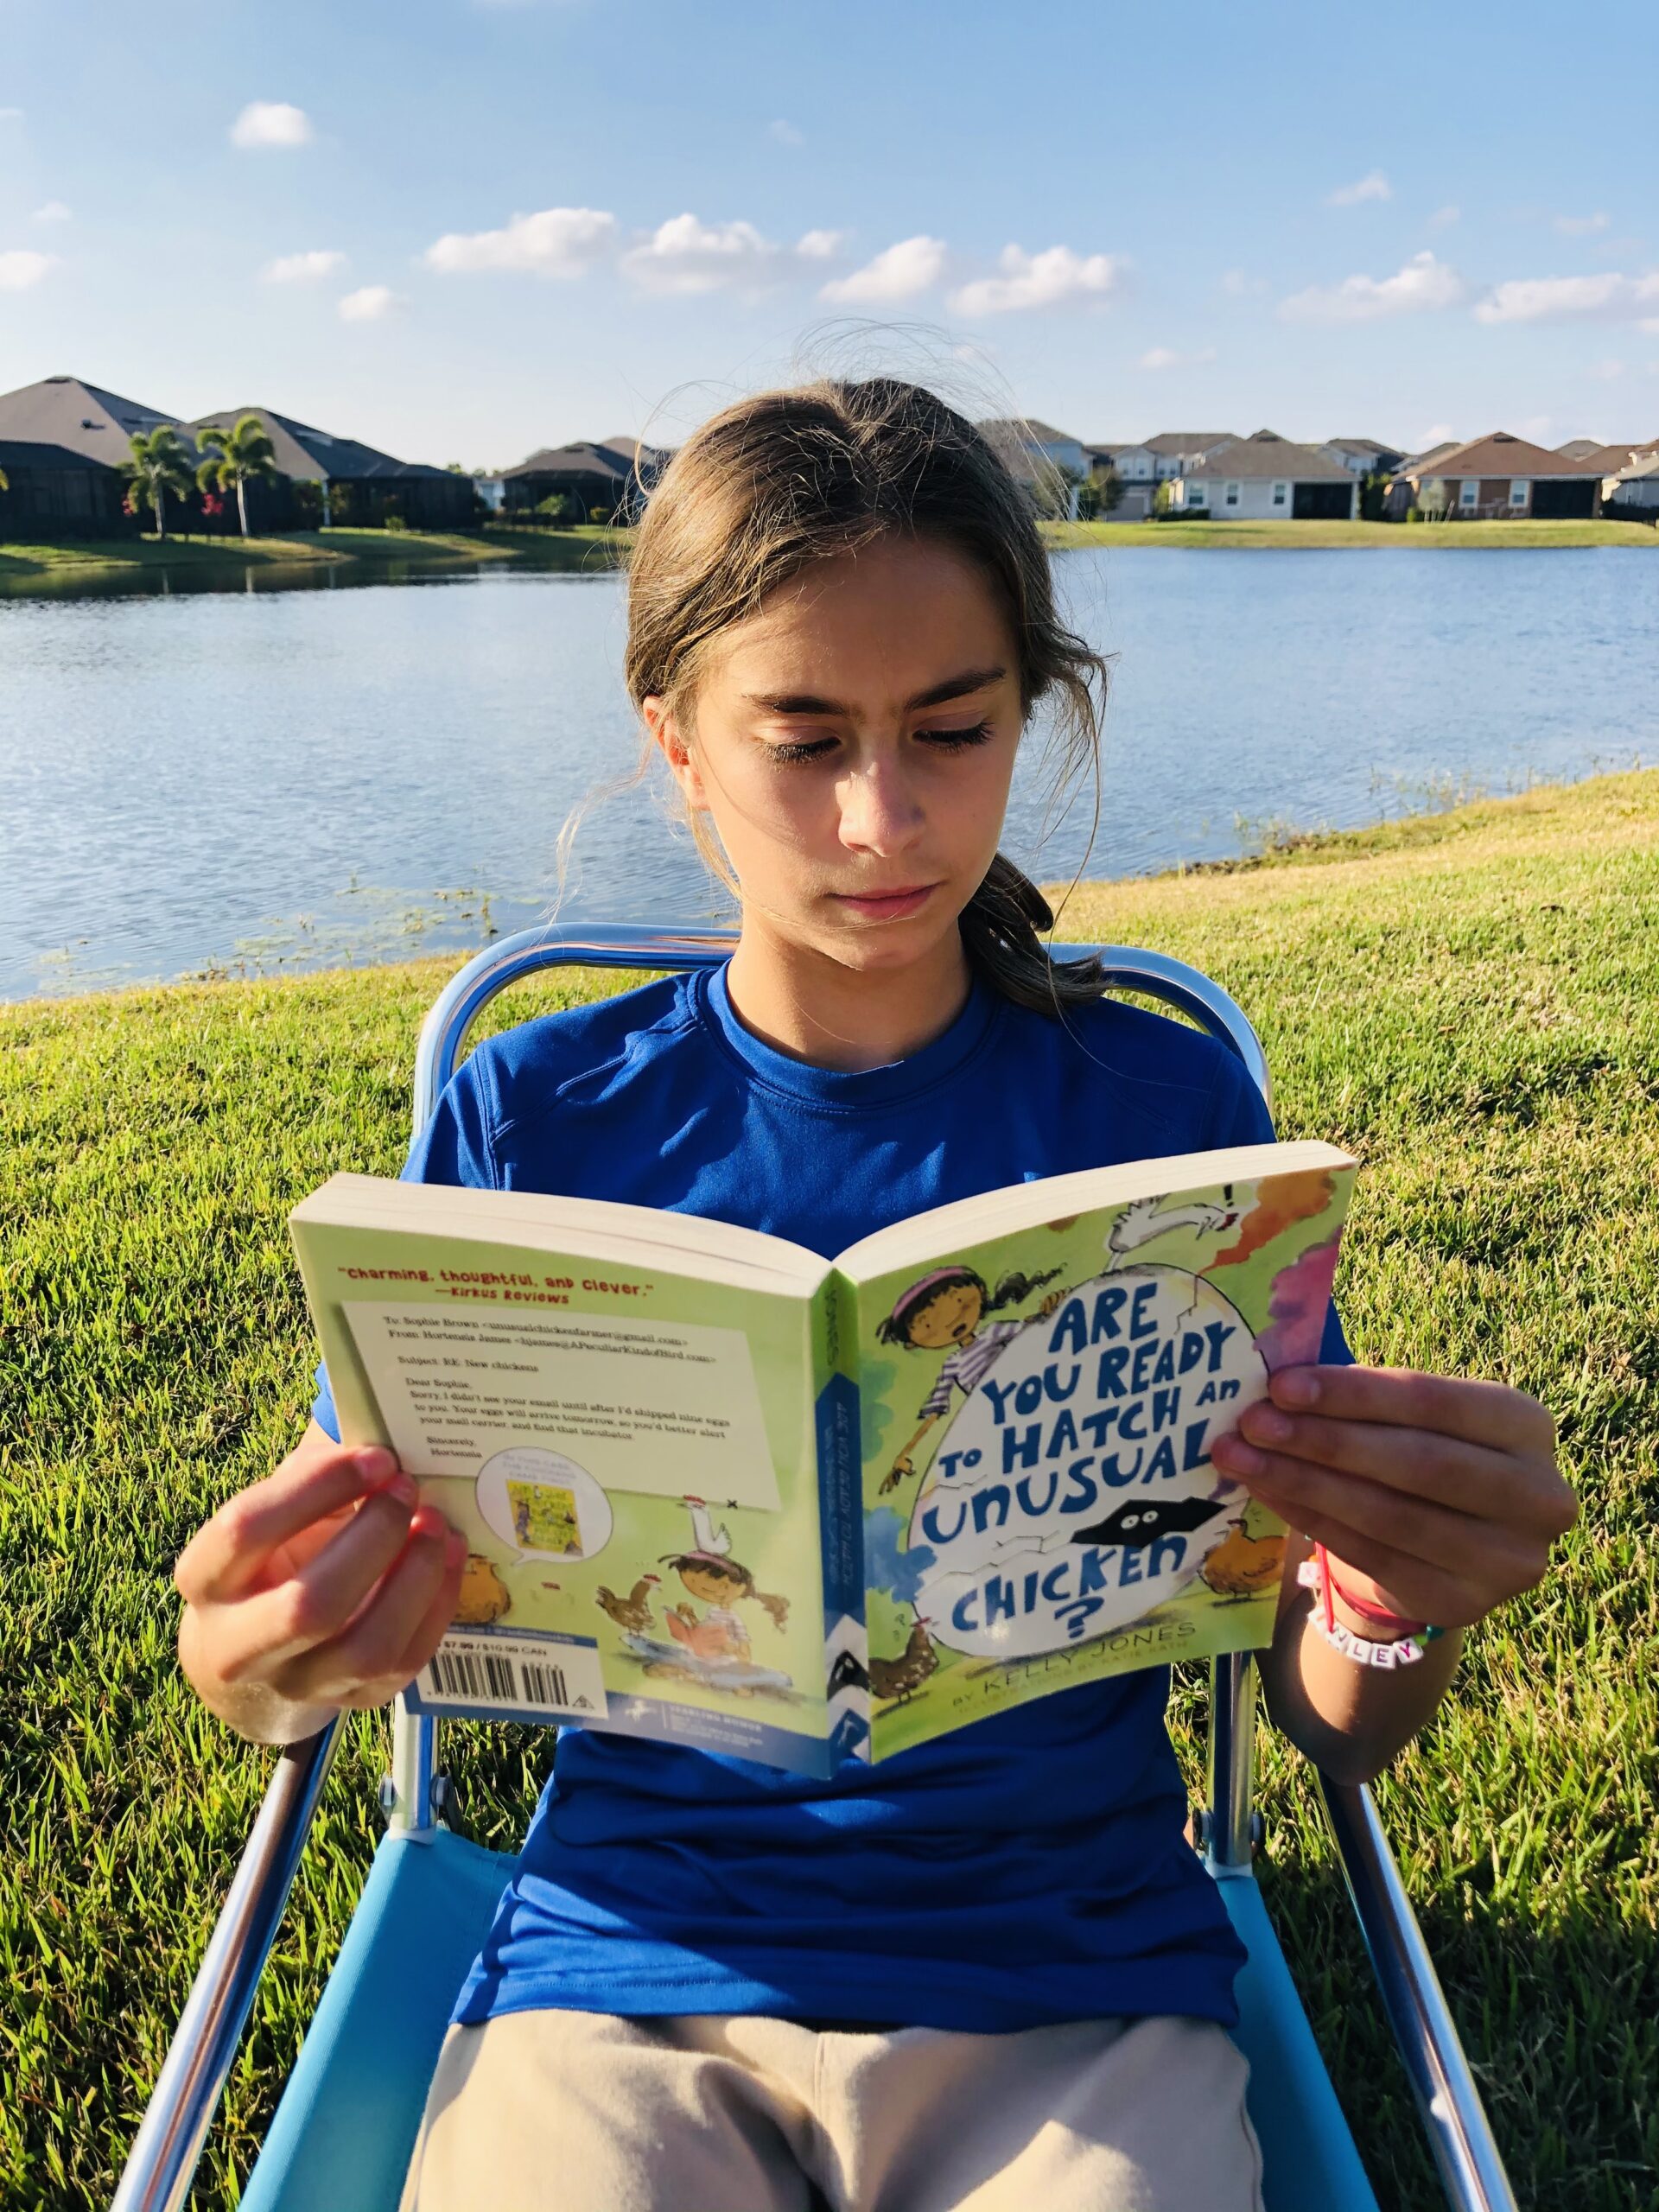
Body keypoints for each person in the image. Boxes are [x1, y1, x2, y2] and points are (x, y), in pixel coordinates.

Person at [175, 378, 1577, 2212]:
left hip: (1073, 1984)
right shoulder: (532, 1121)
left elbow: (1326, 1715)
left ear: (1033, 712)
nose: (885, 817)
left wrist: (1394, 1605)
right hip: (632, 1966)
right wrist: (258, 1650)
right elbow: (298, 1651)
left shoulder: (1162, 1118)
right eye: (803, 737)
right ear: (675, 739)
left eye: (952, 727)